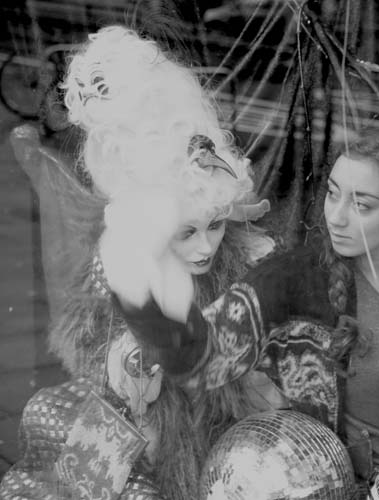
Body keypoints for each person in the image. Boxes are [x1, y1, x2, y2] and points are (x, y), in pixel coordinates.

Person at [99, 126, 379, 485]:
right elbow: (199, 361)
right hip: (344, 488)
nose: (336, 216)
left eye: (361, 205)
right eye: (332, 194)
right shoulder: (294, 282)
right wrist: (135, 281)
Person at [0, 26, 275, 500]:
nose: (205, 248)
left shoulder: (233, 256)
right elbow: (85, 332)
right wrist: (120, 360)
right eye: (185, 233)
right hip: (145, 433)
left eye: (215, 225)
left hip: (226, 437)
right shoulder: (124, 263)